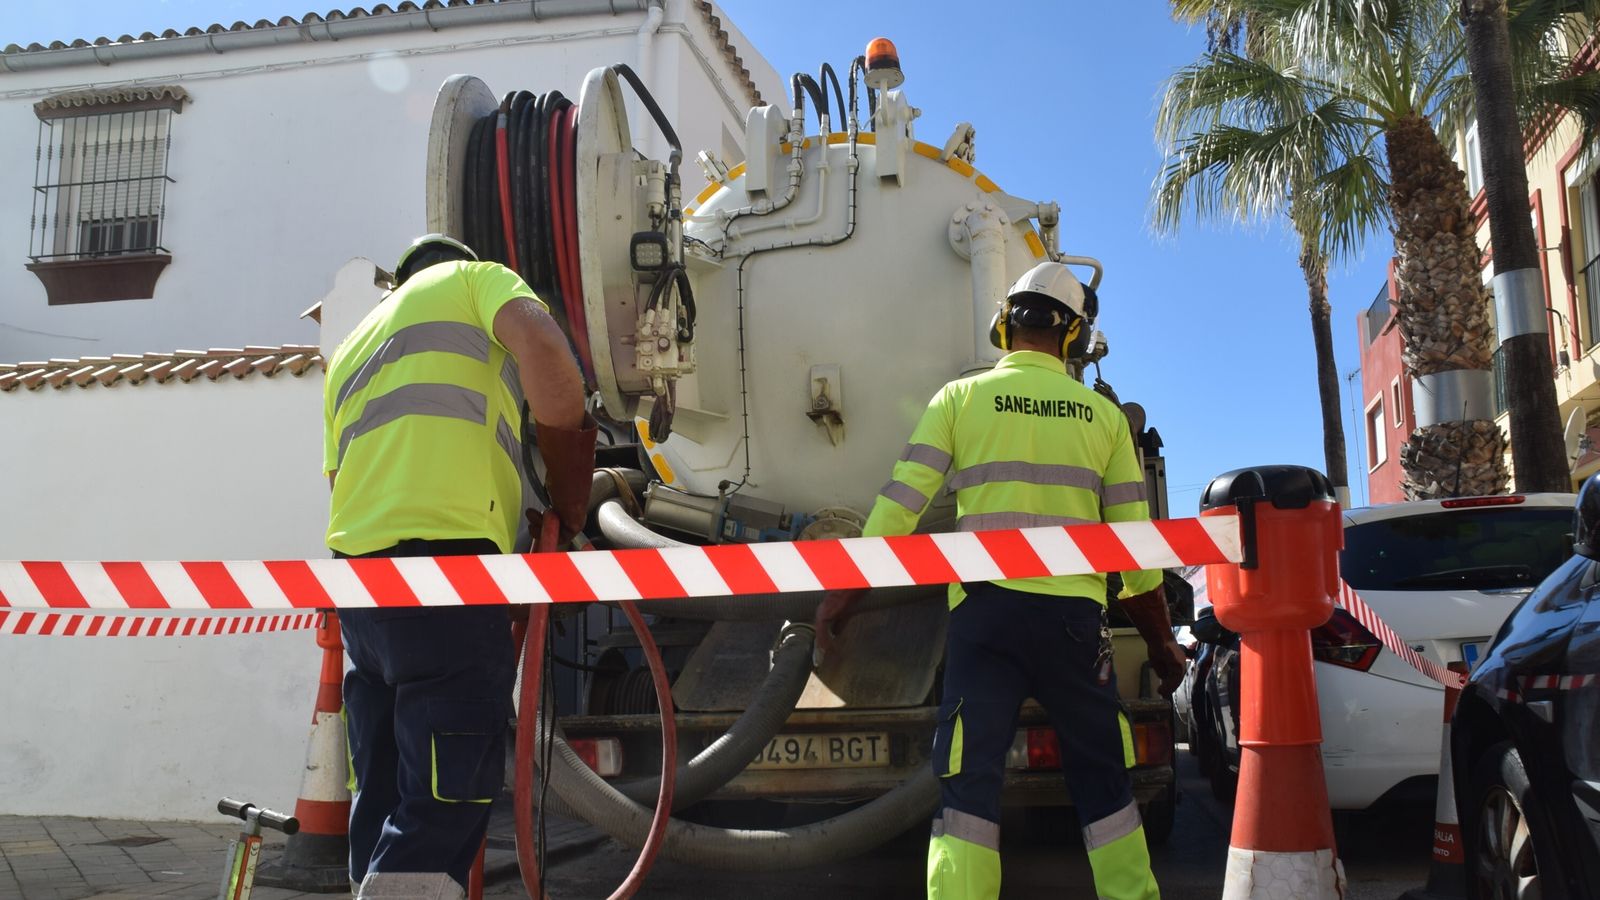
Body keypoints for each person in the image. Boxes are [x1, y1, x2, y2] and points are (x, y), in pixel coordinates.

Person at [814, 261, 1187, 900]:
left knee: (968, 782)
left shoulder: (958, 400)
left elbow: (895, 513)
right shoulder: (1102, 419)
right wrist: (1160, 645)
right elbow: (1135, 554)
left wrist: (841, 600)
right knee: (1104, 781)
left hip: (983, 623)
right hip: (1073, 627)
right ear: (1074, 336)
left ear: (1004, 327)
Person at [323, 234, 595, 899]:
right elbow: (541, 345)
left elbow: (340, 481)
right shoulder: (476, 281)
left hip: (358, 581)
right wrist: (571, 504)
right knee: (447, 792)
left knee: (383, 787)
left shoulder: (351, 349)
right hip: (446, 571)